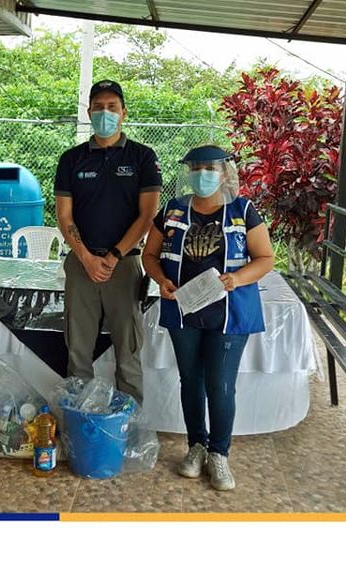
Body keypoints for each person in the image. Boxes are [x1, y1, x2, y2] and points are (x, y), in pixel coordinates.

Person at [142, 145, 274, 491]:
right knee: (191, 381)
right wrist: (161, 280)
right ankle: (196, 446)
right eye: (197, 168)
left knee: (220, 384)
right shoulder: (173, 210)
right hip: (183, 309)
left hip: (229, 313)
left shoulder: (243, 210)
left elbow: (265, 258)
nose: (203, 175)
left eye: (211, 169)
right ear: (188, 173)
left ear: (225, 173)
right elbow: (149, 255)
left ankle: (219, 453)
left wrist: (237, 279)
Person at [54, 80, 161, 402]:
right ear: (89, 113)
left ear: (124, 112)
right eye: (98, 107)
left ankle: (130, 422)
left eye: (112, 107)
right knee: (77, 351)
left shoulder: (142, 157)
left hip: (125, 265)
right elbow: (64, 216)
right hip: (81, 265)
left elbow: (147, 215)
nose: (105, 113)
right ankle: (80, 420)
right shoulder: (71, 159)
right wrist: (86, 258)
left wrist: (114, 255)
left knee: (128, 353)